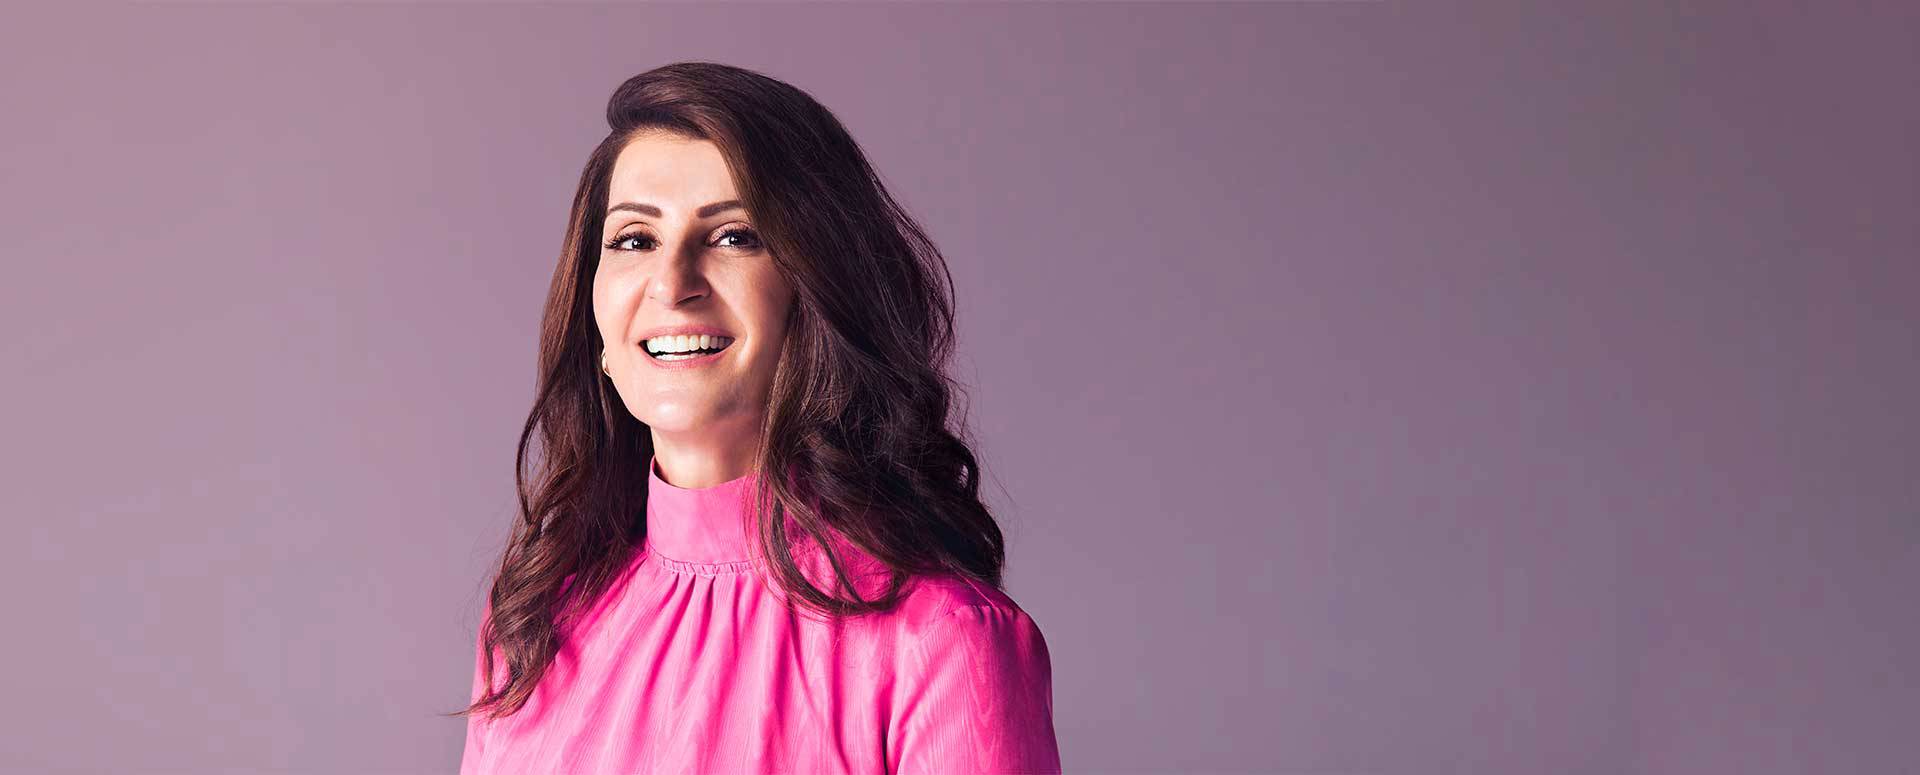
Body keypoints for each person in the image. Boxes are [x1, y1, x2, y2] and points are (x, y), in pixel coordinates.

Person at [449, 61, 1063, 774]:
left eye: (734, 236)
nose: (672, 284)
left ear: (818, 291)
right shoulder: (532, 619)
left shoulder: (943, 642)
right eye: (635, 240)